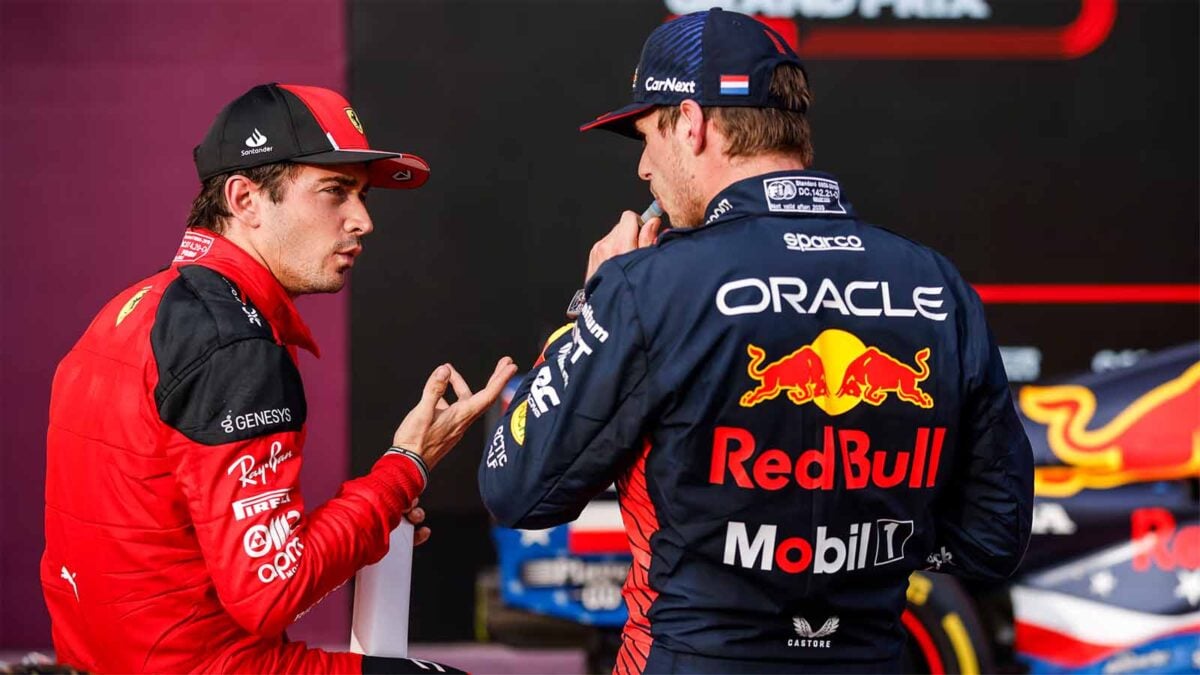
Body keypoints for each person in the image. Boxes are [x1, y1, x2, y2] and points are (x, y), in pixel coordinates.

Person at [478, 9, 1034, 674]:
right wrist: (864, 551)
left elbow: (516, 486)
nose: (644, 170)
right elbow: (994, 538)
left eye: (648, 136)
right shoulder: (937, 285)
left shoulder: (647, 286)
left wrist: (586, 306)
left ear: (692, 123)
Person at [41, 83, 517, 673]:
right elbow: (271, 593)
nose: (363, 221)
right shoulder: (235, 345)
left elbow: (210, 553)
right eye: (335, 192)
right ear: (245, 199)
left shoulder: (129, 310)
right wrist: (403, 469)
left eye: (363, 196)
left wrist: (375, 519)